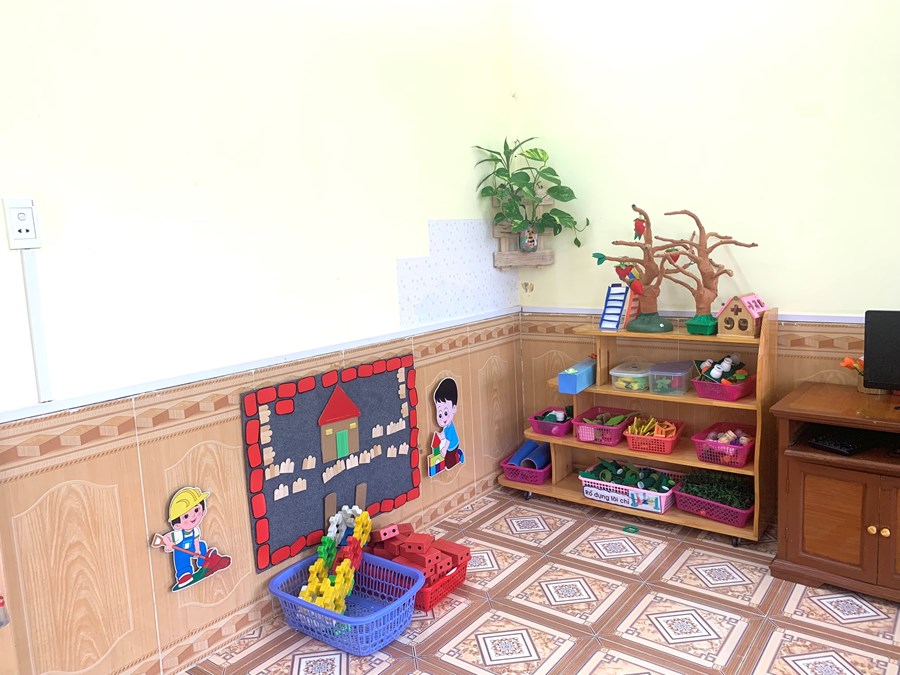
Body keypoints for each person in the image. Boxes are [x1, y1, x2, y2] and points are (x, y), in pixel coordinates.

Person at [161, 487, 213, 588]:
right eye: (186, 516)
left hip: (192, 548)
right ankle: (184, 574)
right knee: (180, 557)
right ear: (177, 525)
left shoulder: (196, 530)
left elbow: (196, 540)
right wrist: (169, 544)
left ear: (203, 511)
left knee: (202, 545)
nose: (193, 516)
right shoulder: (179, 534)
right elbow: (165, 538)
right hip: (182, 551)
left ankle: (203, 562)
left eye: (196, 510)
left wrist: (197, 550)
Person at [434, 378, 464, 470]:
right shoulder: (447, 427)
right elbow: (444, 434)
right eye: (440, 414)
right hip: (449, 446)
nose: (443, 418)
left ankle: (459, 455)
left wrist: (444, 449)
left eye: (446, 413)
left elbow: (448, 440)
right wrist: (439, 436)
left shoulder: (450, 427)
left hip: (453, 446)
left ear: (454, 408)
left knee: (448, 464)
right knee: (446, 461)